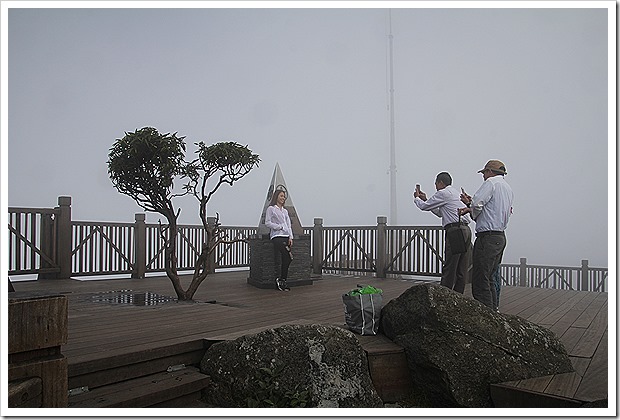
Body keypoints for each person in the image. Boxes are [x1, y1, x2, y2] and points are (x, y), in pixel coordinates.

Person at [459, 160, 514, 311]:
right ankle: (493, 310)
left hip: (487, 237)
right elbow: (493, 209)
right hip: (500, 236)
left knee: (480, 278)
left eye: (484, 172)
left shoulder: (491, 183)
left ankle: (486, 313)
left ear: (490, 171)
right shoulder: (507, 188)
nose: (483, 176)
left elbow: (477, 204)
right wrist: (471, 205)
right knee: (490, 277)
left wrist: (471, 208)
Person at [413, 172, 472, 293]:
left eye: (436, 183)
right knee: (461, 267)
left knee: (450, 266)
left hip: (455, 231)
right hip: (466, 230)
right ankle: (458, 295)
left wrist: (417, 198)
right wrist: (427, 199)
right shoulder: (454, 193)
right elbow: (441, 213)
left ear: (440, 182)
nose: (435, 186)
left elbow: (424, 207)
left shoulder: (443, 193)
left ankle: (444, 295)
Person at [265, 189, 293, 291]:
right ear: (276, 196)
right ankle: (281, 280)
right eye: (281, 196)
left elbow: (288, 225)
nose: (283, 198)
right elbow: (267, 222)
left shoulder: (285, 211)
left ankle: (282, 280)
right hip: (277, 236)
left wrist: (290, 237)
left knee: (288, 258)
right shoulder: (271, 209)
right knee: (286, 255)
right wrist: (279, 227)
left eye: (284, 196)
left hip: (285, 236)